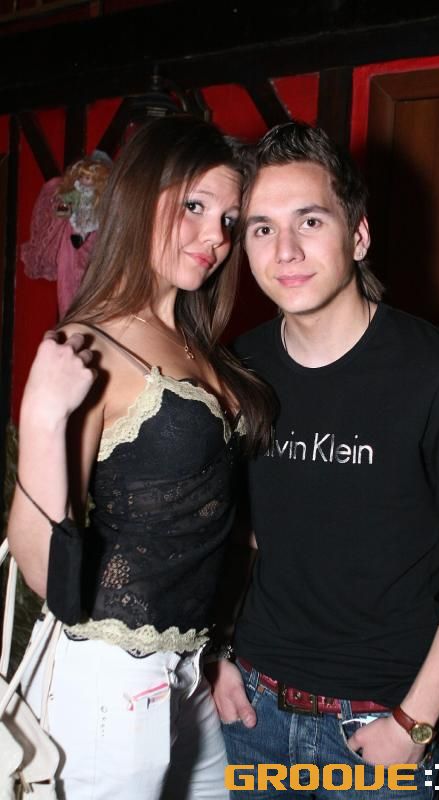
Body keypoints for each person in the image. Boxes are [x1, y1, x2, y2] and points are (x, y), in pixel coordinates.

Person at [210, 121, 439, 799]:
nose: (285, 250)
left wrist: (413, 723)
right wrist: (218, 650)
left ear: (357, 235)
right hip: (252, 712)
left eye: (309, 220)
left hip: (377, 729)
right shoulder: (240, 366)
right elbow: (238, 532)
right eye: (261, 228)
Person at [7, 115, 275, 800]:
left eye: (228, 220)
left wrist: (216, 648)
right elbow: (41, 568)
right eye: (195, 206)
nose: (215, 238)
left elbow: (205, 520)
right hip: (110, 679)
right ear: (140, 196)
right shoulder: (90, 343)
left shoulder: (194, 342)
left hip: (187, 667)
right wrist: (40, 419)